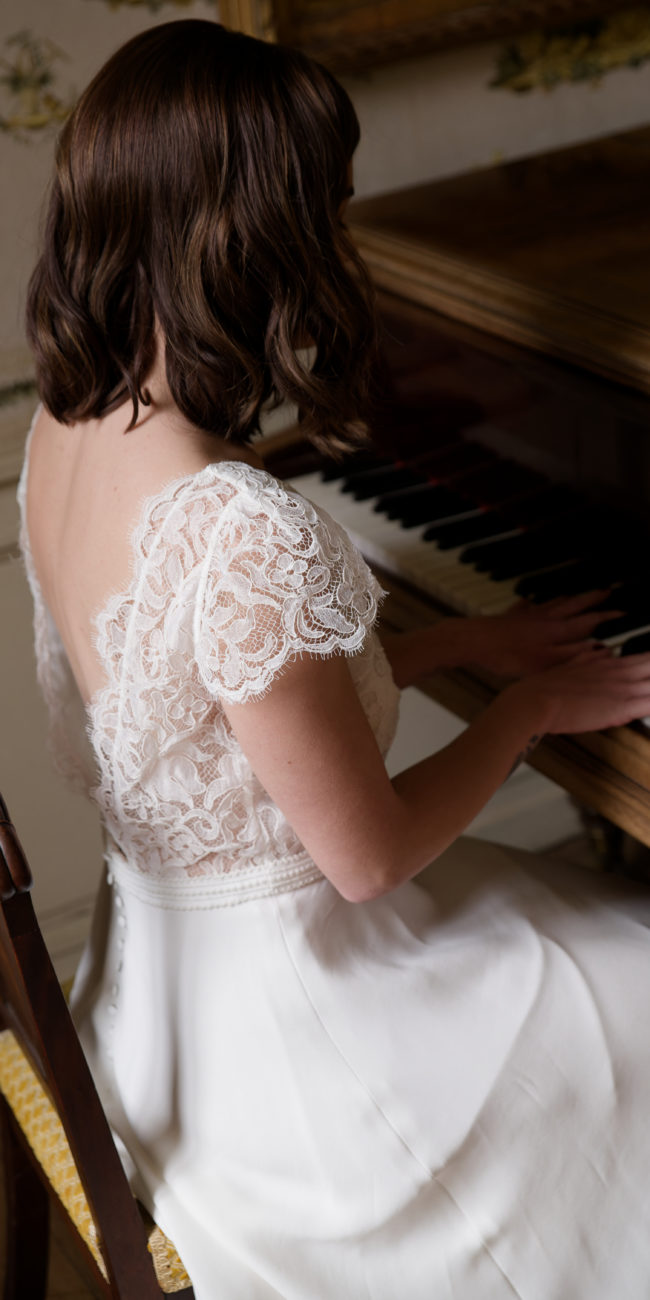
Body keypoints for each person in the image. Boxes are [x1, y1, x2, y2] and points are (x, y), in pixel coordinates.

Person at [19, 19, 650, 1299]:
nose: (343, 239)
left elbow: (212, 720)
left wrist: (459, 641)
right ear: (261, 239)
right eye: (331, 209)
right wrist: (524, 703)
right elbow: (366, 859)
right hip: (315, 1061)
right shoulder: (237, 524)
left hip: (160, 1014)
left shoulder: (65, 424)